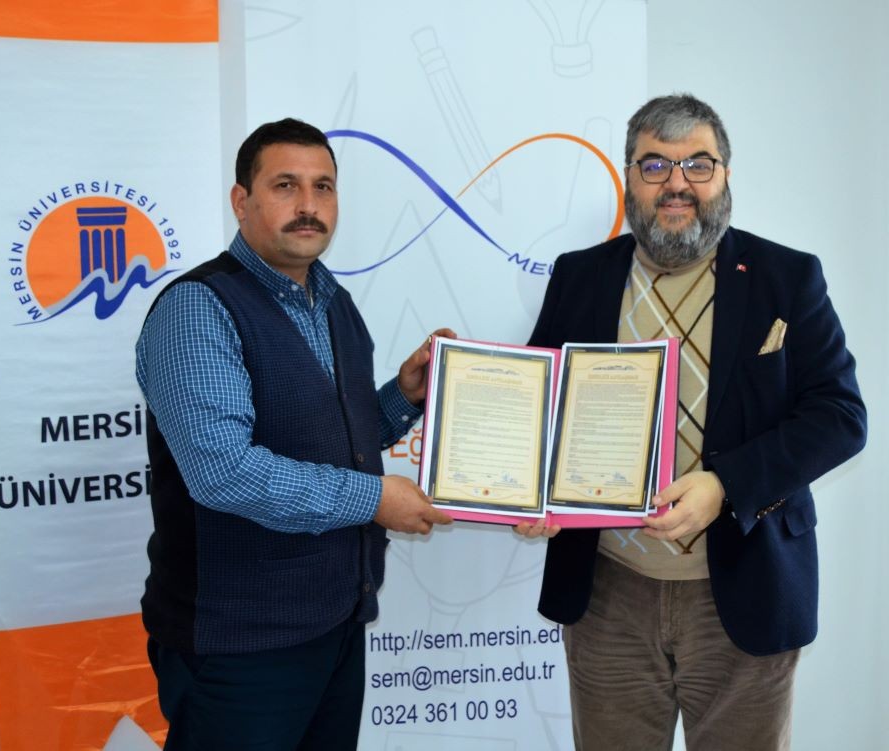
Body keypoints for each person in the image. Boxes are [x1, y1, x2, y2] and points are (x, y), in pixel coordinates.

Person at [517, 94, 866, 750]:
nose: (676, 183)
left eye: (697, 164)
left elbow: (841, 416)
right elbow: (539, 410)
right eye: (655, 165)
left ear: (725, 175)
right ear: (629, 177)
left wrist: (725, 484)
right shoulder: (580, 276)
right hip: (608, 594)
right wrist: (531, 492)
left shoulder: (786, 277)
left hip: (745, 590)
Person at [136, 117, 453, 750]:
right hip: (239, 651)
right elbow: (225, 473)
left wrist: (405, 395)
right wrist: (375, 499)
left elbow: (337, 441)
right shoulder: (199, 308)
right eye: (286, 185)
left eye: (323, 186)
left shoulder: (334, 303)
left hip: (334, 627)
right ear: (241, 200)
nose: (309, 205)